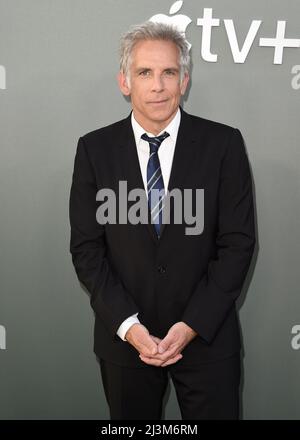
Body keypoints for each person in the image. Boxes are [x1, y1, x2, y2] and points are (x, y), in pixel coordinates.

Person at [69, 21, 256, 420]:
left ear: (184, 80)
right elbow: (87, 250)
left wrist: (191, 325)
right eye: (145, 73)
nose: (158, 85)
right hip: (125, 343)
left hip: (207, 339)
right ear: (124, 81)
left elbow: (237, 244)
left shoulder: (224, 145)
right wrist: (130, 327)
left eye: (169, 72)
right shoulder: (94, 150)